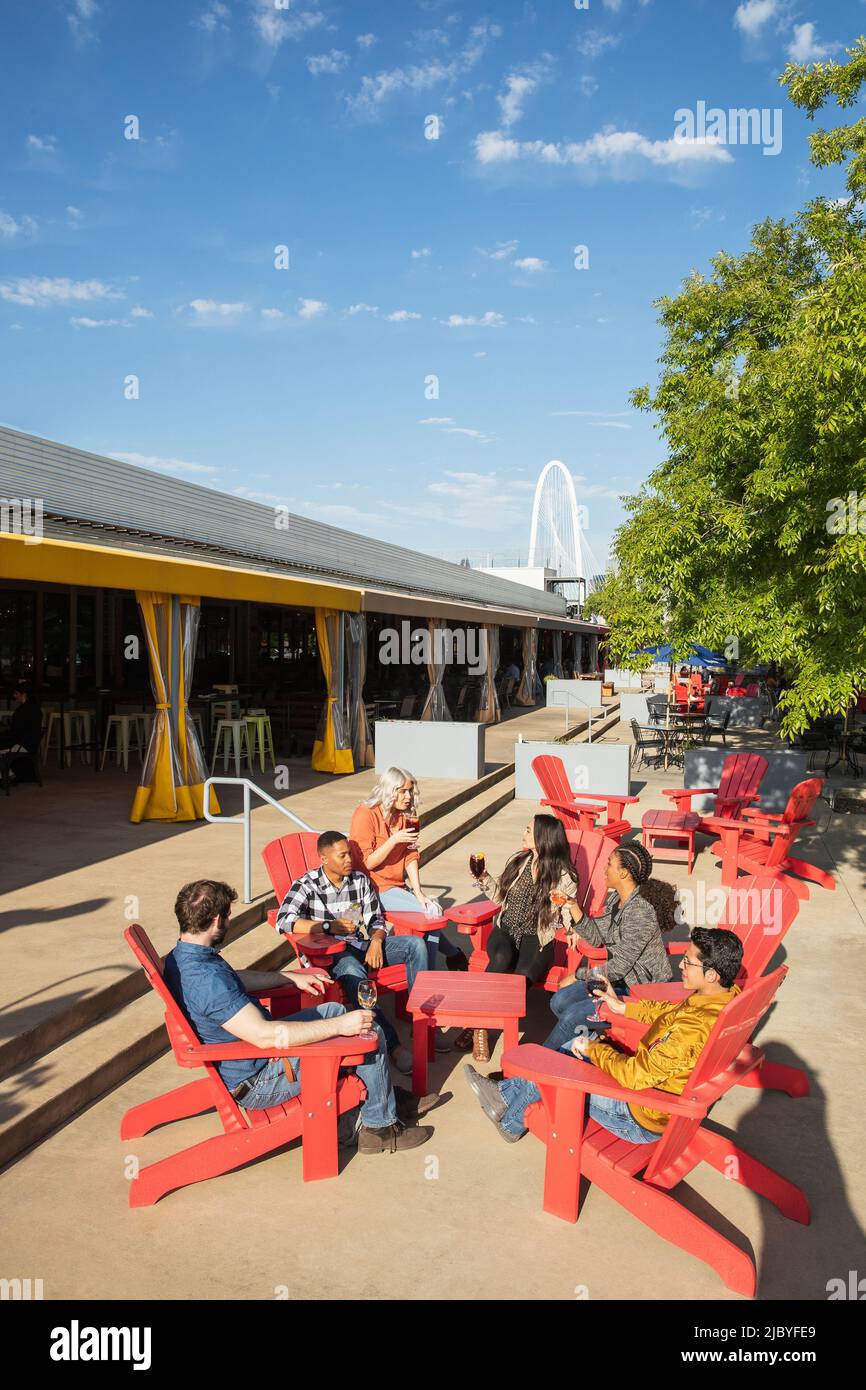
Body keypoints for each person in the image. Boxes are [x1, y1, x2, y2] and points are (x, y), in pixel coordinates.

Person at [164, 879, 438, 1155]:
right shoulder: (206, 981)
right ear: (216, 920)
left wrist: (288, 977)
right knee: (365, 1031)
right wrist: (340, 1027)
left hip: (261, 1056)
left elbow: (234, 980)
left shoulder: (188, 956)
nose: (230, 923)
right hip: (261, 1078)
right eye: (228, 917)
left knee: (340, 1011)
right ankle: (380, 1129)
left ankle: (382, 1096)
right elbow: (263, 1035)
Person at [465, 925, 744, 1143]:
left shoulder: (693, 1028)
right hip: (654, 1097)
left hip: (638, 1115)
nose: (680, 966)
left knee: (569, 1058)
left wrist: (594, 1050)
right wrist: (623, 1008)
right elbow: (666, 1012)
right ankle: (508, 1111)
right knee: (577, 1043)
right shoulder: (722, 999)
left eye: (688, 962)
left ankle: (507, 1107)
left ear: (711, 975)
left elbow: (636, 1076)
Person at [275, 830, 437, 1075]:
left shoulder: (359, 880)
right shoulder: (307, 885)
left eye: (349, 853)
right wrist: (326, 926)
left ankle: (424, 1024)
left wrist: (375, 941)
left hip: (360, 945)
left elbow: (376, 919)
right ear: (324, 858)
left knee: (415, 946)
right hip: (329, 954)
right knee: (353, 970)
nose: (349, 859)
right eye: (342, 856)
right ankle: (393, 1046)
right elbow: (283, 920)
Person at [455, 814, 580, 1062]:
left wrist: (572, 928)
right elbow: (500, 896)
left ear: (542, 837)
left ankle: (485, 1025)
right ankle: (479, 1025)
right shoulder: (519, 860)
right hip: (506, 929)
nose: (523, 832)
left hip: (537, 935)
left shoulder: (565, 876)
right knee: (501, 957)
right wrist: (483, 878)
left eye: (528, 829)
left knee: (523, 975)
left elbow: (568, 909)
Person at [543, 842, 674, 1049]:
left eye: (609, 864)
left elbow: (620, 966)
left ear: (623, 873)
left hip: (641, 990)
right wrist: (573, 906)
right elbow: (595, 937)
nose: (605, 869)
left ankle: (531, 1072)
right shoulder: (617, 899)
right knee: (559, 1001)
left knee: (571, 1016)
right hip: (619, 980)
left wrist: (577, 975)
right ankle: (593, 1044)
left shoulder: (640, 912)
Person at [349, 766, 466, 972]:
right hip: (369, 889)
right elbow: (366, 863)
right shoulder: (365, 814)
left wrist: (419, 892)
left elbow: (410, 855)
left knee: (429, 909)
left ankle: (444, 963)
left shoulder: (406, 816)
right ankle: (446, 961)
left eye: (410, 791)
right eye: (402, 791)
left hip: (395, 887)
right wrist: (394, 840)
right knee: (431, 913)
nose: (408, 796)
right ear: (389, 790)